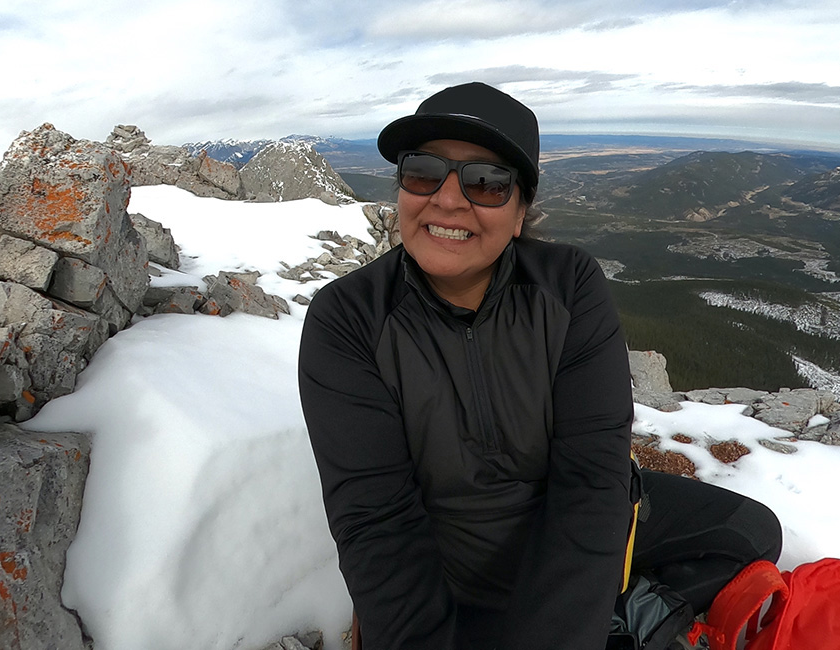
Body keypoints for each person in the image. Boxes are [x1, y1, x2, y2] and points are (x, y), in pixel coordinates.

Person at [298, 82, 782, 650]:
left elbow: (593, 479)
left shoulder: (568, 285)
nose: (449, 200)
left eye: (486, 182)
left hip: (563, 530)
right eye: (424, 171)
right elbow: (378, 522)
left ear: (522, 208)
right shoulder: (348, 318)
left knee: (753, 531)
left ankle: (616, 612)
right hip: (452, 568)